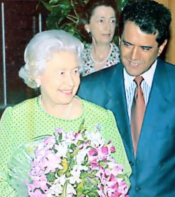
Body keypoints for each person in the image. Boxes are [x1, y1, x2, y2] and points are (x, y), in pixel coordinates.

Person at [78, 0, 175, 196]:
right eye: (127, 44)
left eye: (145, 48)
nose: (134, 56)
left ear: (161, 47)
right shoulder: (90, 90)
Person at [0, 30, 131, 196]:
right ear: (37, 75)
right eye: (61, 73)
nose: (71, 82)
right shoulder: (16, 118)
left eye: (75, 71)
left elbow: (121, 176)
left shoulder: (100, 118)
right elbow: (1, 182)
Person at [79, 0, 120, 76]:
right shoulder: (79, 59)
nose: (108, 27)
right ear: (88, 27)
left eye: (112, 21)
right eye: (101, 21)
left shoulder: (123, 60)